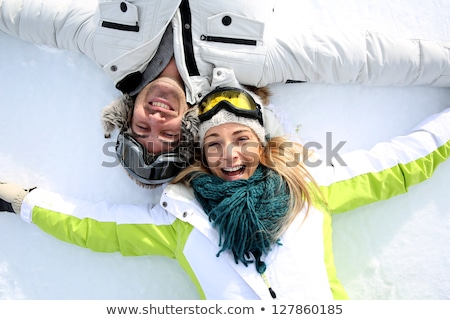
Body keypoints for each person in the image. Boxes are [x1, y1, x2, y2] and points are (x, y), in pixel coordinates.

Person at [1, 87, 449, 299]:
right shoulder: (180, 219)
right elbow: (96, 226)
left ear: (264, 144)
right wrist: (23, 201)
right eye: (214, 145)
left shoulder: (310, 189)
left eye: (242, 141)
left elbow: (399, 164)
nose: (229, 155)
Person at [3, 0, 450, 186]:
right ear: (190, 126)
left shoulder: (105, 49)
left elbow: (25, 18)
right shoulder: (248, 67)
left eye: (142, 127)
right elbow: (362, 59)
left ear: (126, 115)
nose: (157, 117)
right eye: (167, 130)